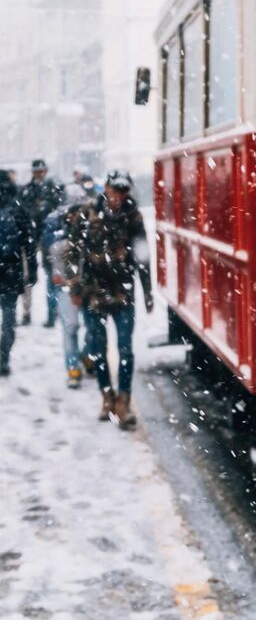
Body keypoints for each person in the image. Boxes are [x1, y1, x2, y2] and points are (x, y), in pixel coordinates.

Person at [65, 169, 153, 428]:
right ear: (106, 188)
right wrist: (74, 288)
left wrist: (147, 292)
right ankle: (106, 395)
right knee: (98, 349)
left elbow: (143, 257)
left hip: (123, 292)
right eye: (115, 190)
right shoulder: (87, 214)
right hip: (93, 293)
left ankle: (123, 399)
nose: (119, 196)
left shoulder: (133, 217)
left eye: (124, 191)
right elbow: (73, 253)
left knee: (125, 349)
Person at [46, 184, 88, 389]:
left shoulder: (92, 219)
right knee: (71, 327)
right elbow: (49, 250)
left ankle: (86, 355)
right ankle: (73, 366)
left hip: (88, 281)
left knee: (93, 327)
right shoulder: (54, 223)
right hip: (64, 281)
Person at [18, 157, 65, 327]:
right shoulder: (27, 191)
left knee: (51, 275)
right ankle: (27, 312)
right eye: (36, 171)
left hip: (47, 237)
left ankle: (52, 313)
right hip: (32, 237)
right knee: (27, 277)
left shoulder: (52, 189)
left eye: (41, 171)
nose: (39, 174)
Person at [0, 170, 36, 377]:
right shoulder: (17, 208)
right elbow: (28, 245)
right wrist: (31, 272)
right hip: (11, 271)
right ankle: (3, 358)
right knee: (8, 316)